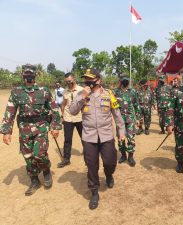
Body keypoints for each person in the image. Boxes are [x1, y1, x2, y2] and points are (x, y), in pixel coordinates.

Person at [0, 64, 62, 195]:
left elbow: (54, 109)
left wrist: (55, 127)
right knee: (28, 156)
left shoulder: (43, 90)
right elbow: (9, 111)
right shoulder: (16, 92)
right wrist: (6, 131)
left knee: (39, 154)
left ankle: (46, 171)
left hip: (41, 127)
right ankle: (34, 180)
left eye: (31, 74)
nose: (28, 76)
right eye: (26, 74)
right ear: (23, 75)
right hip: (24, 129)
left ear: (35, 75)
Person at [69, 68, 125, 209]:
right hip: (89, 136)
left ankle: (109, 174)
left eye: (91, 79)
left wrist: (121, 132)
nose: (88, 82)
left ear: (98, 80)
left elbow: (117, 114)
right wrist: (83, 97)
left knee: (109, 161)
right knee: (91, 165)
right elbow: (72, 110)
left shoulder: (109, 95)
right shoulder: (82, 94)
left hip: (106, 135)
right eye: (86, 79)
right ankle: (94, 192)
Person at [113, 75, 141, 166]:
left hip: (130, 119)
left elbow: (136, 105)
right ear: (120, 81)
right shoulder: (115, 92)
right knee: (121, 139)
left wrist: (138, 118)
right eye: (123, 80)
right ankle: (123, 155)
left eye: (127, 80)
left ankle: (130, 156)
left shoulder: (132, 92)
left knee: (131, 138)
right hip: (119, 120)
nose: (125, 82)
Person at [57, 72, 84, 168]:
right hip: (68, 118)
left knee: (84, 137)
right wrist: (62, 115)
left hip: (80, 117)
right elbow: (63, 104)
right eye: (66, 82)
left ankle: (88, 153)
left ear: (74, 79)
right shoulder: (65, 91)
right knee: (67, 140)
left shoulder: (82, 90)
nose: (68, 83)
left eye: (70, 81)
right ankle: (66, 159)